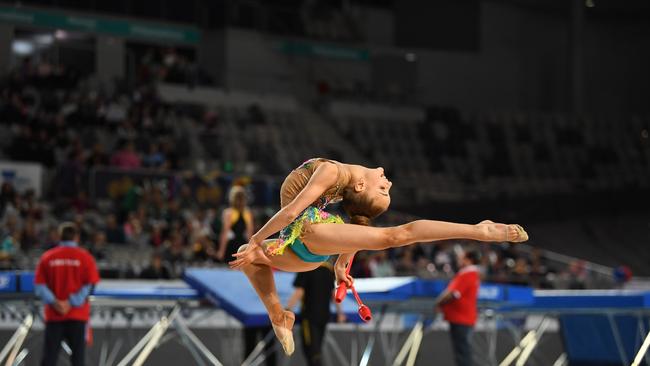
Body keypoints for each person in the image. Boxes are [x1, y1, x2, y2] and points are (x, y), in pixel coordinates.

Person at [229, 158, 528, 355]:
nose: (389, 183)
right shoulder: (334, 175)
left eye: (383, 190)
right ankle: (279, 315)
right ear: (358, 186)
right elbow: (301, 216)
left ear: (360, 187)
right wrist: (340, 267)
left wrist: (257, 238)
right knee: (247, 255)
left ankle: (479, 230)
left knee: (394, 236)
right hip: (302, 251)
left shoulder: (332, 173)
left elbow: (292, 212)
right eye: (386, 190)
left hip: (307, 235)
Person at [34, 222, 100, 366]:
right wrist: (71, 302)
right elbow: (89, 286)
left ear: (59, 236)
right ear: (76, 237)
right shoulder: (86, 258)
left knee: (49, 359)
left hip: (54, 315)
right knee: (78, 360)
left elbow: (39, 286)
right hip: (77, 315)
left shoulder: (47, 257)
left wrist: (55, 302)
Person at [286, 262, 346, 366]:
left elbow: (299, 292)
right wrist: (340, 313)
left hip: (309, 317)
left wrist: (287, 309)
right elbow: (333, 294)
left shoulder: (306, 268)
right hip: (324, 315)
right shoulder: (328, 269)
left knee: (311, 351)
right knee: (317, 349)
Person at [434, 250, 481, 366]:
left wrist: (438, 303)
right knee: (463, 352)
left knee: (462, 353)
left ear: (468, 260)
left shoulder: (467, 274)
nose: (459, 260)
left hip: (461, 318)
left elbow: (452, 293)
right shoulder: (472, 274)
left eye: (462, 258)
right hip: (464, 318)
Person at [217, 186, 254, 262]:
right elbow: (250, 234)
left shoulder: (228, 213)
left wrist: (221, 251)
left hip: (232, 247)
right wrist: (250, 250)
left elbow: (225, 233)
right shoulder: (247, 212)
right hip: (242, 246)